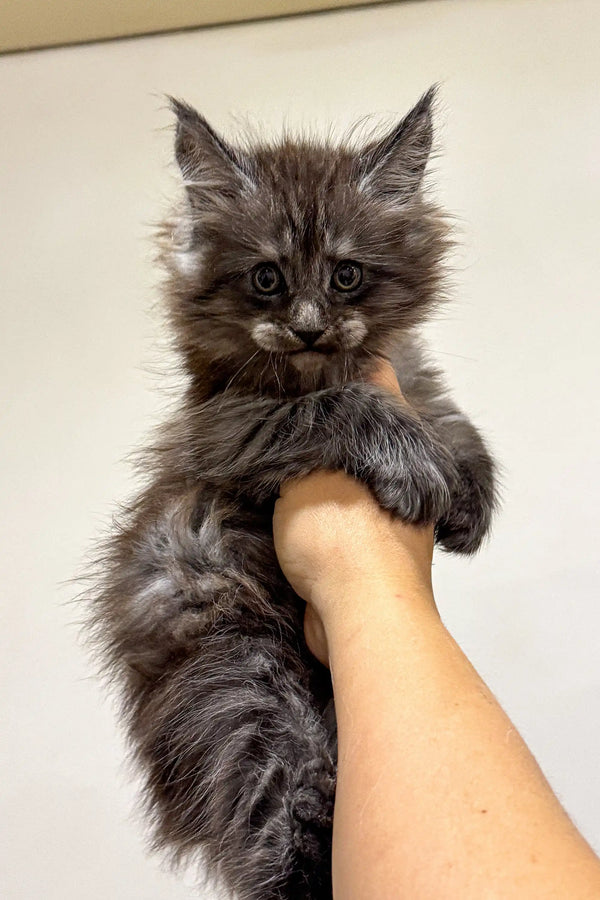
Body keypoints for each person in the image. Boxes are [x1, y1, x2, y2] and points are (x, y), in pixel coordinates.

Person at [272, 362, 600, 900]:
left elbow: (461, 506)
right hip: (243, 638)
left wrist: (362, 581)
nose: (308, 318)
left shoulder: (388, 363)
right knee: (292, 843)